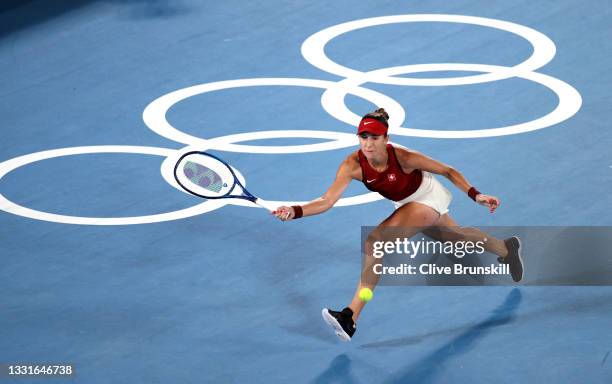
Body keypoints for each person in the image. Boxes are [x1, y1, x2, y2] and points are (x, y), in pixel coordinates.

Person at [272, 108, 523, 342]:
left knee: (375, 242)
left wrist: (475, 194)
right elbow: (327, 201)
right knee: (457, 238)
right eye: (363, 137)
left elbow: (447, 170)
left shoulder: (403, 157)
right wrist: (294, 211)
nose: (368, 143)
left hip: (427, 197)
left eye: (375, 137)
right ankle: (506, 249)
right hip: (405, 203)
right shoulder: (352, 165)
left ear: (386, 138)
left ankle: (350, 317)